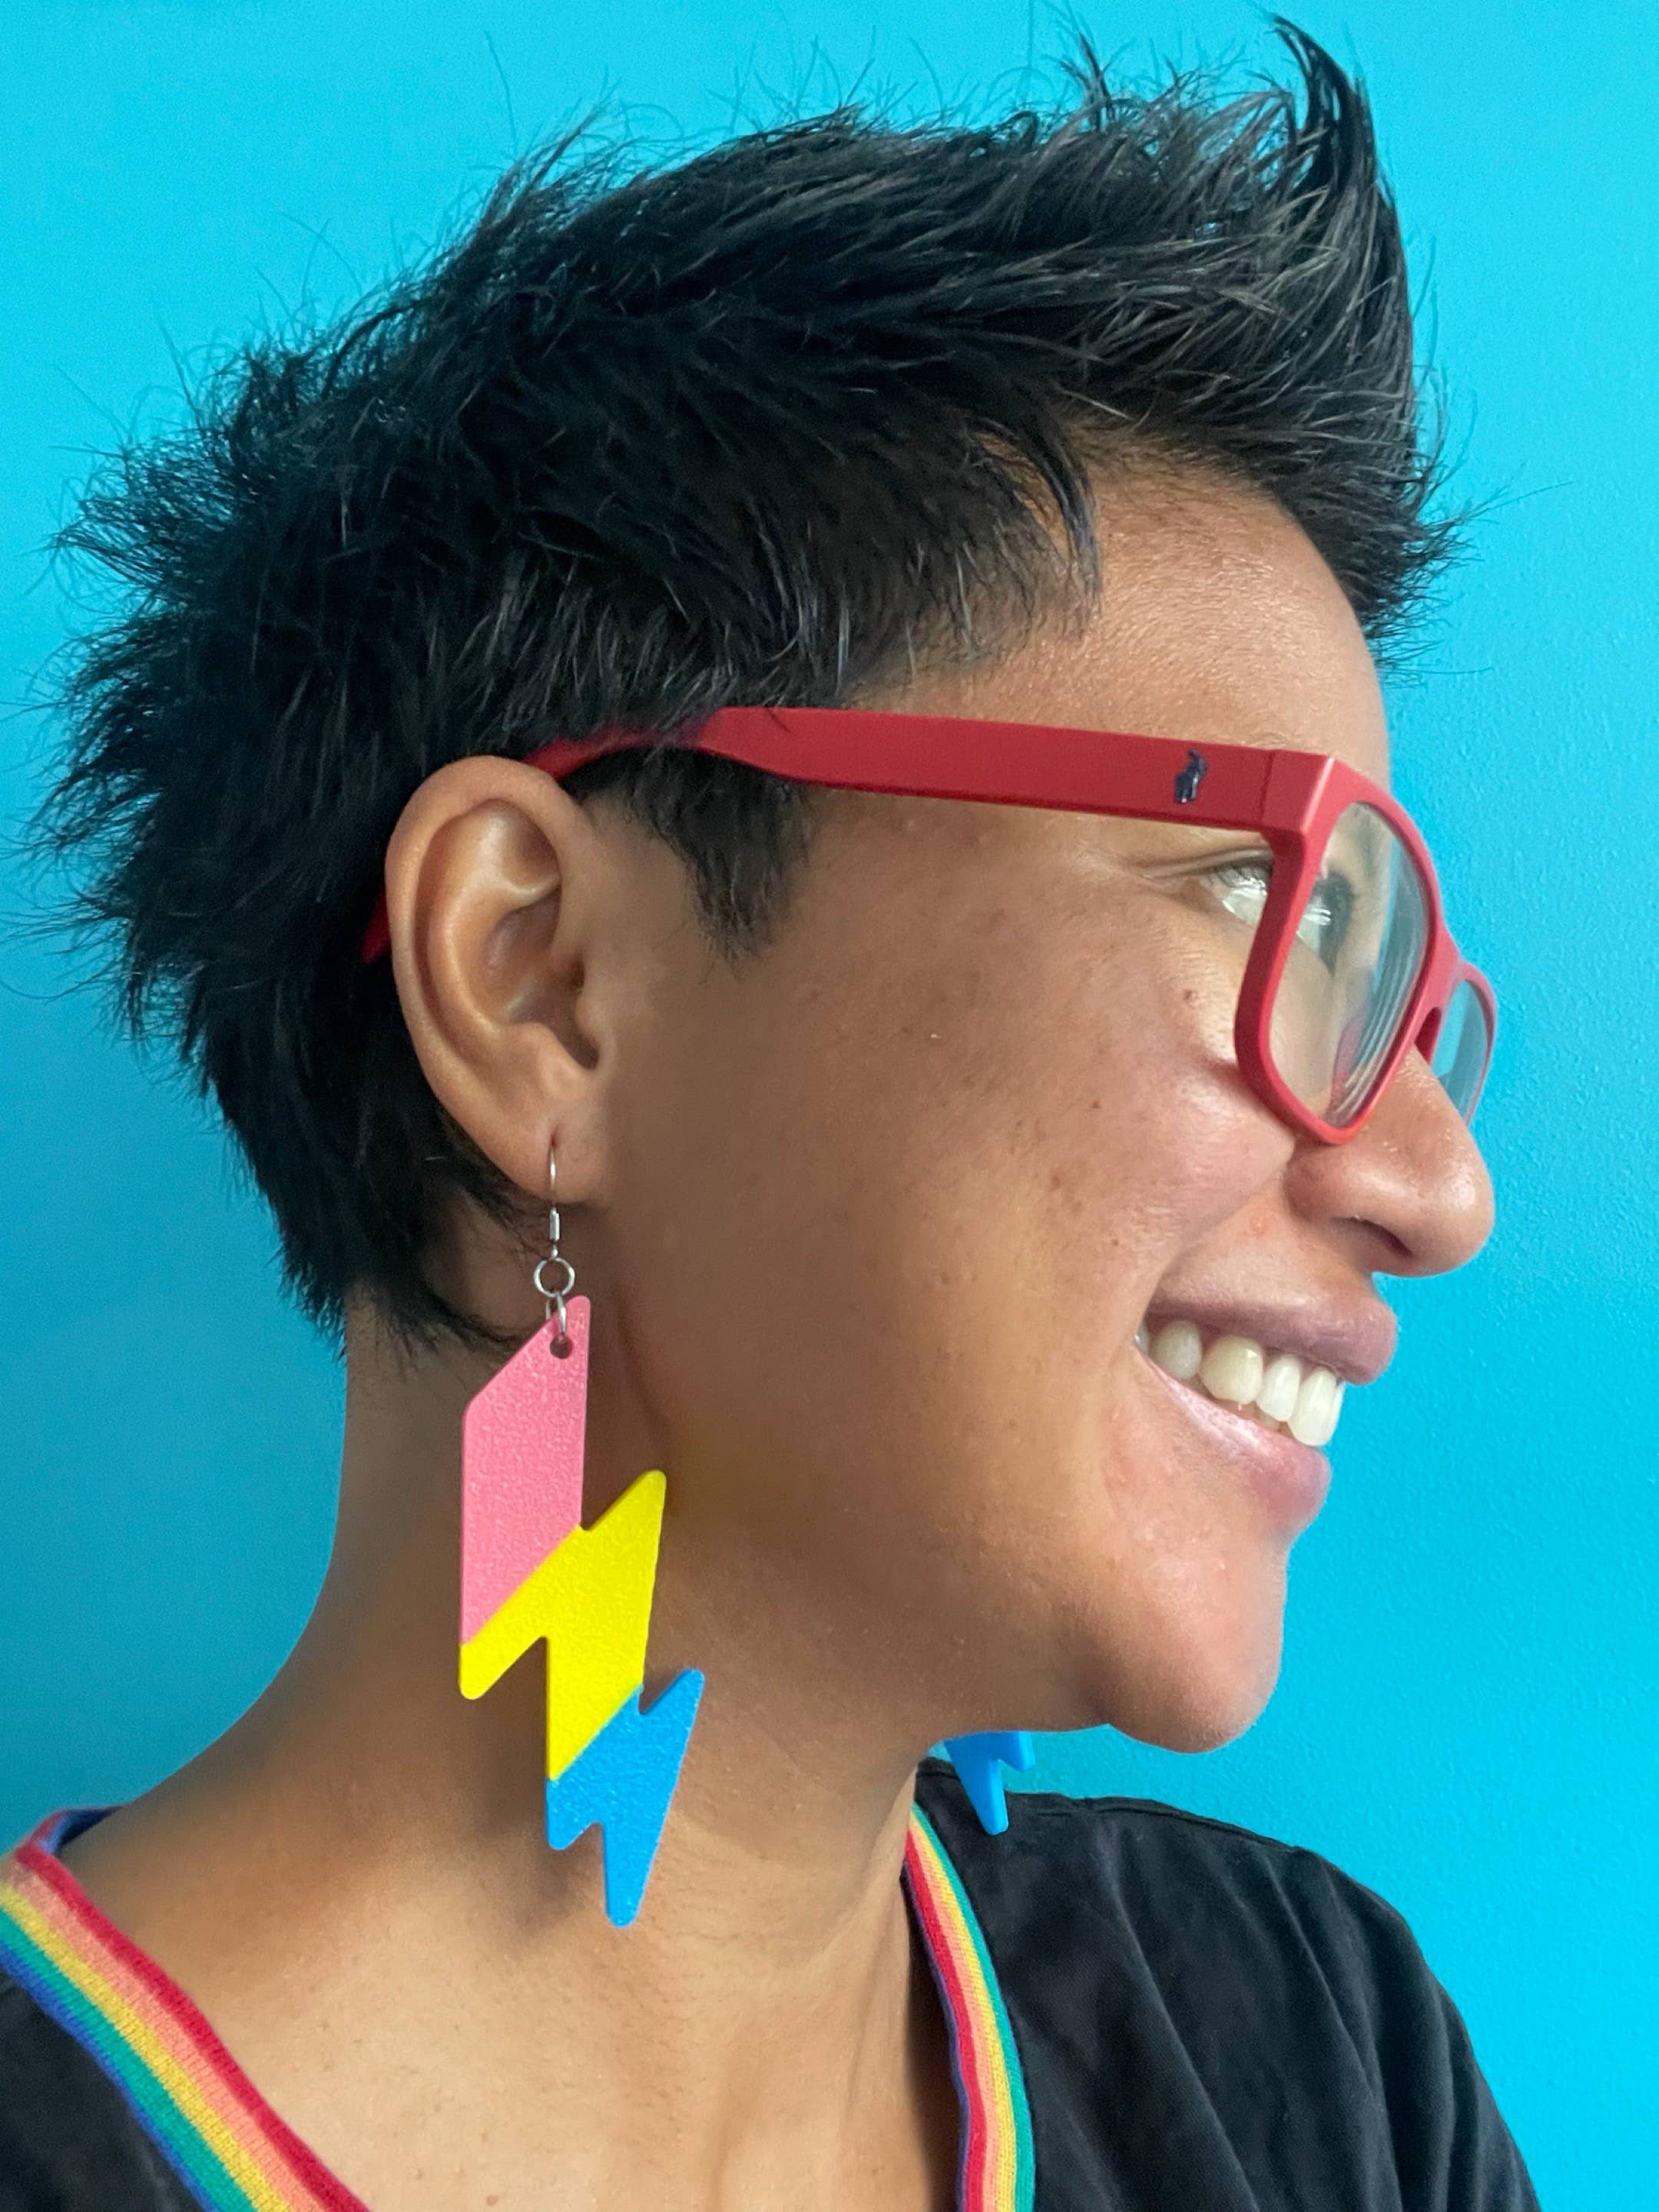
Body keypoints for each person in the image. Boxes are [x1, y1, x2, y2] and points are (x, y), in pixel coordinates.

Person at [0, 26, 1541, 2211]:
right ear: (545, 985)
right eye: (1252, 890)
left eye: (1404, 998)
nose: (1436, 1186)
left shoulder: (1315, 2047)